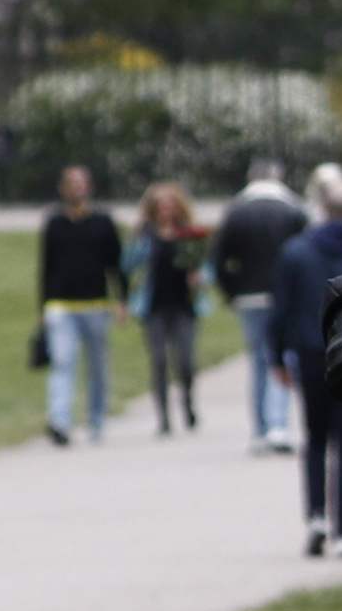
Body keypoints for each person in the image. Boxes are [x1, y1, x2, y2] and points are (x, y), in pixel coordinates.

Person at [268, 166, 342, 554]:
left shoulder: (296, 253)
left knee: (314, 438)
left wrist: (276, 356)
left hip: (311, 354)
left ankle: (316, 515)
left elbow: (281, 311)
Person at [212, 162, 302, 451]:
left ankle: (261, 428)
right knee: (282, 356)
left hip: (249, 295)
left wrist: (231, 290)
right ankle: (279, 424)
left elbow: (219, 258)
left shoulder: (236, 212)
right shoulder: (293, 210)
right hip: (284, 296)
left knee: (259, 361)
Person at [34, 165, 125, 446]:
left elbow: (115, 264)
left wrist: (122, 299)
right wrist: (42, 308)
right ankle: (60, 421)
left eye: (81, 183)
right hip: (61, 305)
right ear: (63, 188)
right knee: (62, 363)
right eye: (71, 183)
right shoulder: (54, 223)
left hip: (95, 303)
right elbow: (45, 267)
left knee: (97, 366)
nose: (77, 188)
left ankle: (96, 420)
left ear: (89, 187)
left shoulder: (102, 221)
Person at [132, 183, 210, 435]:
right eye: (161, 206)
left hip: (184, 306)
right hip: (154, 307)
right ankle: (163, 417)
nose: (166, 210)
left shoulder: (189, 234)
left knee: (185, 361)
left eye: (170, 205)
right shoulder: (145, 236)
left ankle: (187, 402)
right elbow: (128, 263)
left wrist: (200, 277)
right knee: (159, 361)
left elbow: (206, 268)